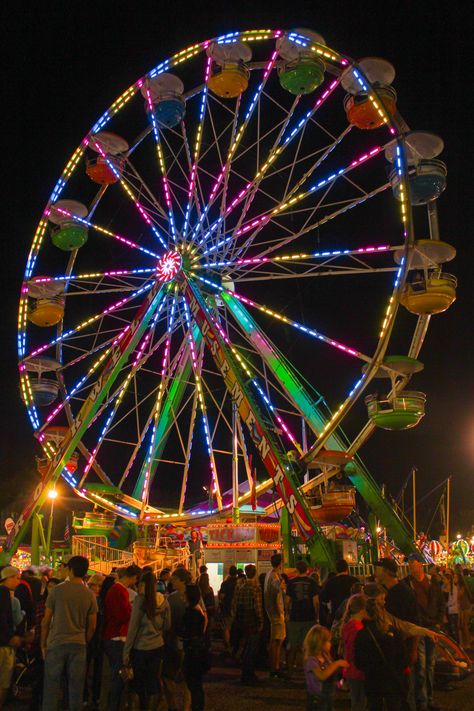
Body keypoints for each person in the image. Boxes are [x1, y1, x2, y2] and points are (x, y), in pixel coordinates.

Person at [41, 555, 97, 711]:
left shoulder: (57, 591)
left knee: (51, 686)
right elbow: (92, 625)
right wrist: (85, 640)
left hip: (56, 642)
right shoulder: (89, 595)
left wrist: (43, 644)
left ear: (70, 570)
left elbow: (46, 621)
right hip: (79, 644)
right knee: (76, 687)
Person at [123, 571, 170, 710]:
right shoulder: (163, 600)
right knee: (153, 680)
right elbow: (167, 625)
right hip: (157, 646)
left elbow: (133, 628)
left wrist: (126, 653)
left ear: (142, 584)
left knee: (139, 683)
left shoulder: (140, 601)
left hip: (141, 648)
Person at [355, 597, 411, 711]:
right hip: (393, 677)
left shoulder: (362, 634)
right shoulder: (390, 630)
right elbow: (403, 655)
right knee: (394, 705)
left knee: (374, 705)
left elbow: (359, 661)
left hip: (373, 679)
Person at [404, 553, 444, 711]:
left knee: (430, 665)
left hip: (432, 626)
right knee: (421, 665)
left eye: (412, 562)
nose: (410, 566)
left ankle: (429, 698)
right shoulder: (408, 583)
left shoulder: (432, 583)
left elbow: (441, 602)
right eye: (409, 563)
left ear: (420, 564)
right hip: (419, 627)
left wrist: (439, 622)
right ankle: (423, 700)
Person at [103, 564, 139, 711]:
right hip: (117, 637)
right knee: (118, 676)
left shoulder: (116, 590)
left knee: (117, 676)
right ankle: (113, 706)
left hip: (114, 636)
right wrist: (132, 610)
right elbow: (123, 615)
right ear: (133, 577)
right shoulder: (119, 591)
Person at [162, 567, 192, 711]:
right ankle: (183, 707)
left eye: (174, 579)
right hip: (185, 641)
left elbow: (166, 623)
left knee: (169, 676)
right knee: (186, 679)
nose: (171, 581)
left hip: (174, 640)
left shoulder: (171, 599)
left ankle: (173, 705)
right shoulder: (193, 596)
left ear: (181, 580)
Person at [303, 624, 349, 710]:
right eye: (328, 641)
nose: (330, 644)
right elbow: (322, 675)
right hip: (317, 701)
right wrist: (337, 664)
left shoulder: (326, 657)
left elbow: (331, 674)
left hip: (328, 698)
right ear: (320, 643)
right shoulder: (311, 661)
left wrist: (341, 680)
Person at [286, 560, 319, 676]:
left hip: (295, 617)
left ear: (297, 569)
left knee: (293, 645)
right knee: (308, 646)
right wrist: (317, 616)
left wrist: (287, 613)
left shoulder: (291, 582)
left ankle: (289, 670)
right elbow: (316, 602)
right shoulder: (312, 582)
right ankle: (308, 671)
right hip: (309, 616)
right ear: (306, 569)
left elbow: (287, 601)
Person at [231, 563, 263, 684]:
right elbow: (258, 607)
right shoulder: (255, 588)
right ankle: (249, 673)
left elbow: (234, 605)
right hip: (252, 620)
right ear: (255, 573)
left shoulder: (241, 587)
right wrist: (261, 621)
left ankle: (245, 672)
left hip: (242, 620)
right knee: (252, 648)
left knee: (245, 646)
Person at [181, 584, 209, 711]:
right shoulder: (199, 612)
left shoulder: (191, 613)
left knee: (193, 684)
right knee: (197, 685)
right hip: (198, 651)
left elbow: (186, 632)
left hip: (192, 652)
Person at [0, 567, 23, 709]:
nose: (18, 582)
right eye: (16, 578)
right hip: (3, 644)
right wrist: (9, 637)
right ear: (8, 578)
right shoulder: (3, 593)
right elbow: (3, 617)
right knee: (3, 682)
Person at [340, 594, 367, 711]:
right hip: (357, 670)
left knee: (357, 701)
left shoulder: (348, 625)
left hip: (351, 669)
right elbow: (352, 650)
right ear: (362, 609)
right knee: (360, 702)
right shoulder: (357, 628)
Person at [264, 553, 286, 679]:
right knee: (277, 641)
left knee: (275, 640)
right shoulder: (275, 578)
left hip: (271, 612)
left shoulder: (269, 575)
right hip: (276, 613)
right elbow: (277, 597)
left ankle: (275, 665)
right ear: (280, 564)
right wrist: (281, 613)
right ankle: (275, 667)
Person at [319, 560, 359, 627]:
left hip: (336, 615)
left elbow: (324, 599)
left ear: (336, 569)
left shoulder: (330, 582)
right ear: (347, 568)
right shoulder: (354, 581)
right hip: (352, 615)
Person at [218, 565, 238, 651]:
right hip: (237, 608)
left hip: (227, 608)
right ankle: (235, 646)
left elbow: (222, 596)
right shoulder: (239, 582)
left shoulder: (225, 583)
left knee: (226, 628)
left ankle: (227, 646)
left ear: (229, 573)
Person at [198, 573, 215, 646]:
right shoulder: (210, 589)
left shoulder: (198, 589)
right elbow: (212, 602)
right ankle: (207, 645)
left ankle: (200, 643)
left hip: (200, 611)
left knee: (200, 629)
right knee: (208, 629)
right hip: (209, 612)